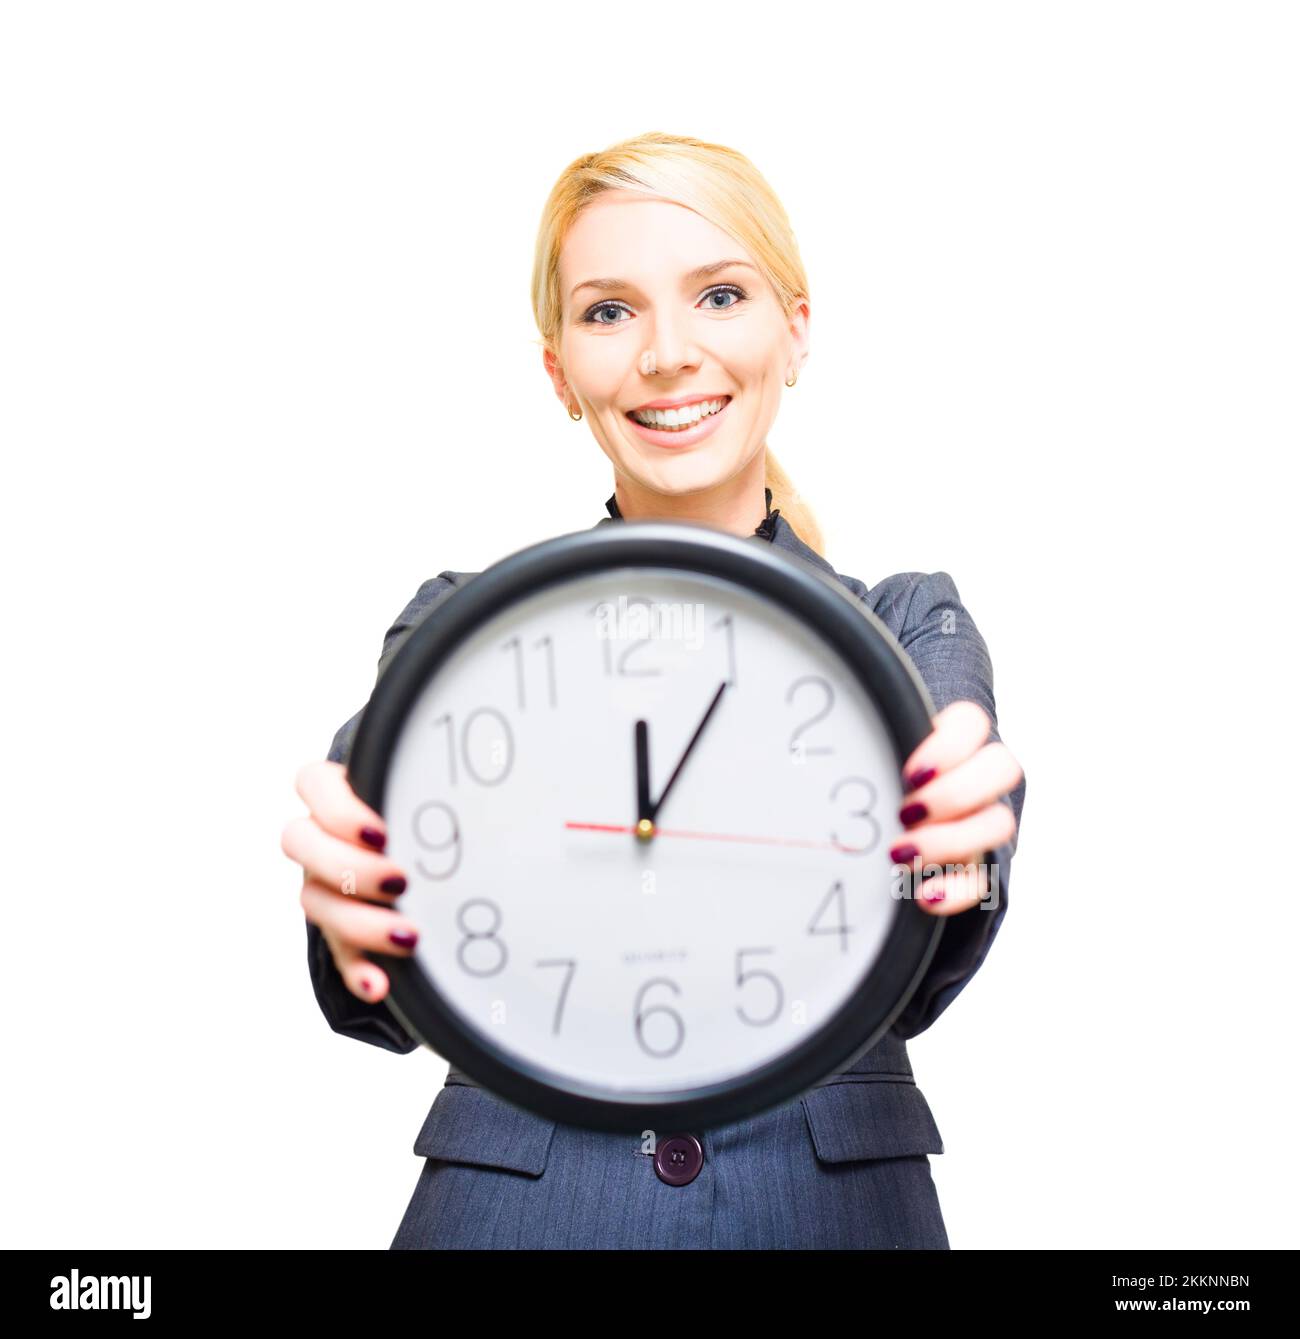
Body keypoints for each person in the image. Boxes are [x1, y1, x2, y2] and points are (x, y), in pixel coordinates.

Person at [280, 132, 1026, 1250]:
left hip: (828, 1212)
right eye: (609, 310)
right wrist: (360, 916)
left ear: (795, 331)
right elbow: (379, 901)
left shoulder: (908, 622)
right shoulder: (460, 626)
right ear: (559, 373)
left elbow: (934, 912)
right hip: (517, 1211)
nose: (667, 353)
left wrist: (954, 845)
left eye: (718, 294)